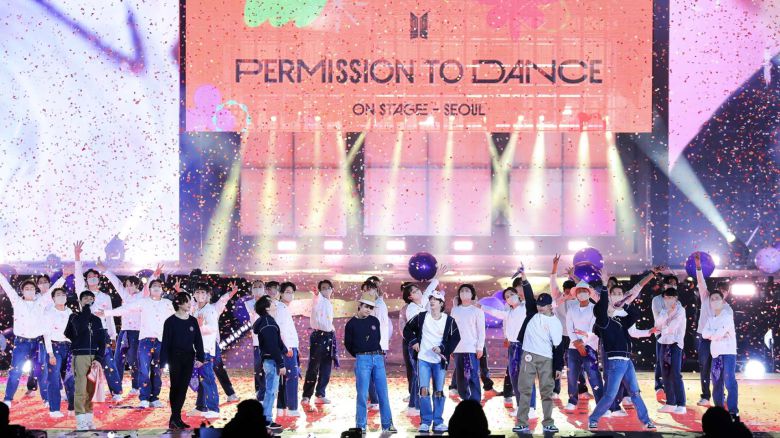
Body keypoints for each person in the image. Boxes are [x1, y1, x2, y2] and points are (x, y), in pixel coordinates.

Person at [588, 282, 656, 430]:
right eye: (613, 296)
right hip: (616, 362)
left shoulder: (620, 320)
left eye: (619, 294)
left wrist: (623, 305)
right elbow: (601, 308)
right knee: (610, 395)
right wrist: (605, 288)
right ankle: (593, 419)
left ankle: (646, 421)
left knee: (635, 392)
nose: (613, 302)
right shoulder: (603, 322)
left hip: (627, 361)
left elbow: (635, 314)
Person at [99, 278, 174, 408]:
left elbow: (177, 316)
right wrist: (106, 313)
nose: (156, 287)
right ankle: (144, 398)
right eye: (154, 285)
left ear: (162, 289)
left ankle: (154, 398)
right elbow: (126, 309)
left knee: (157, 371)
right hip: (145, 341)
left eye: (159, 285)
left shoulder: (167, 303)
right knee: (143, 370)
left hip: (161, 341)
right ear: (149, 289)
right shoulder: (143, 302)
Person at [512, 268, 563, 434]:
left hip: (546, 358)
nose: (540, 307)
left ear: (550, 306)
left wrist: (558, 367)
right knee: (525, 390)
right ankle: (522, 422)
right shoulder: (532, 313)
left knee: (547, 392)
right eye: (539, 304)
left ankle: (548, 422)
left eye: (544, 305)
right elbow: (528, 295)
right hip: (528, 356)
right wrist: (524, 278)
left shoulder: (555, 323)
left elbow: (558, 347)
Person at [403, 290, 460, 434]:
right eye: (431, 299)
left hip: (439, 361)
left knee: (439, 391)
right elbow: (407, 329)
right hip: (423, 359)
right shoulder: (422, 317)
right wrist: (414, 341)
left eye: (435, 299)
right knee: (423, 390)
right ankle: (425, 421)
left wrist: (443, 349)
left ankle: (438, 422)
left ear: (441, 303)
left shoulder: (449, 320)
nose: (432, 301)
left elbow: (455, 338)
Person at [0, 271, 59, 408]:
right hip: (21, 343)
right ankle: (8, 398)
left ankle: (46, 399)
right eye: (26, 288)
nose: (30, 290)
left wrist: (64, 277)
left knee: (42, 371)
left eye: (32, 288)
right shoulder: (17, 301)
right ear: (22, 291)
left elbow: (52, 290)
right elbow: (7, 287)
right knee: (15, 371)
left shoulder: (40, 302)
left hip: (38, 343)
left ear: (35, 290)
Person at [73, 241, 123, 401]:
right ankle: (83, 392)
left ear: (99, 279)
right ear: (86, 280)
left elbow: (109, 317)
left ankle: (116, 392)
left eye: (95, 276)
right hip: (85, 333)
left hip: (102, 333)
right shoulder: (82, 293)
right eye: (89, 277)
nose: (92, 279)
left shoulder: (105, 297)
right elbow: (77, 276)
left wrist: (113, 336)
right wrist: (77, 257)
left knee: (108, 362)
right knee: (84, 363)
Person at [480, 285, 538, 418]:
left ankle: (531, 408)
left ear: (517, 294)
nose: (510, 297)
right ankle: (521, 406)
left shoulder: (526, 307)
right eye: (507, 296)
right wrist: (481, 307)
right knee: (514, 377)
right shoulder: (509, 312)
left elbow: (531, 299)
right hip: (513, 347)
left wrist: (525, 280)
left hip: (525, 347)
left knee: (526, 378)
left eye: (511, 294)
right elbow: (496, 313)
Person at [343, 292, 397, 434]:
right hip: (363, 359)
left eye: (371, 307)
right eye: (366, 306)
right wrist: (360, 354)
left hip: (378, 358)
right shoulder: (351, 324)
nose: (368, 310)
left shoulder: (374, 321)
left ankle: (387, 424)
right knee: (362, 394)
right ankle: (361, 425)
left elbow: (377, 339)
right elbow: (348, 344)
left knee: (383, 393)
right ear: (359, 306)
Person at [102, 264, 155, 397]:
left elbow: (148, 286)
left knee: (134, 360)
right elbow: (116, 283)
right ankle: (116, 387)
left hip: (137, 332)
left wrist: (155, 275)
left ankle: (136, 386)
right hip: (124, 332)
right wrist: (105, 270)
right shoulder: (125, 295)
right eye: (127, 285)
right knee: (118, 359)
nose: (128, 287)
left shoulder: (143, 296)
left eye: (131, 285)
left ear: (137, 285)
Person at [188, 281, 238, 419]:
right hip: (198, 349)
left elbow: (212, 329)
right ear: (194, 295)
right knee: (202, 378)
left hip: (206, 349)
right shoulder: (196, 309)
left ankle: (213, 408)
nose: (200, 294)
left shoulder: (210, 310)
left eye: (203, 292)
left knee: (208, 378)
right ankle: (201, 407)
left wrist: (200, 326)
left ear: (208, 295)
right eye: (197, 292)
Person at [400, 271, 444, 416]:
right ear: (410, 297)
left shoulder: (423, 301)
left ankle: (415, 405)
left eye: (417, 289)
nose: (418, 292)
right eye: (414, 292)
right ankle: (414, 405)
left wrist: (437, 277)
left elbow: (429, 290)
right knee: (419, 375)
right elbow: (415, 328)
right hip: (417, 345)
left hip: (425, 343)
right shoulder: (411, 308)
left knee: (420, 374)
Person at [161, 292, 205, 430]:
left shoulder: (192, 321)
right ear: (179, 303)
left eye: (189, 301)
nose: (189, 304)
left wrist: (201, 357)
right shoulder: (170, 321)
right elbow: (165, 343)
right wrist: (162, 362)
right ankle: (175, 418)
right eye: (186, 301)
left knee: (183, 387)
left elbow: (198, 340)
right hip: (174, 357)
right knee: (175, 387)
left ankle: (176, 418)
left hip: (188, 357)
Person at [64, 290, 105, 430]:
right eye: (85, 298)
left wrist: (99, 358)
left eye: (90, 298)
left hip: (94, 357)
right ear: (80, 301)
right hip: (80, 356)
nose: (88, 300)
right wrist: (86, 310)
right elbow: (78, 330)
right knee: (81, 389)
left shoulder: (97, 320)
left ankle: (88, 418)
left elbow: (102, 341)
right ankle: (80, 419)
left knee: (90, 390)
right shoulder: (74, 317)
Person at [695, 251, 732, 407]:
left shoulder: (727, 308)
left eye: (725, 291)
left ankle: (720, 395)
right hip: (703, 338)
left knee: (718, 368)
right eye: (720, 290)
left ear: (727, 293)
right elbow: (701, 281)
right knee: (704, 367)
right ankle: (705, 396)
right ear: (716, 289)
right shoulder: (706, 296)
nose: (722, 293)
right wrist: (698, 267)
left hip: (718, 340)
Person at [549, 255, 588, 400]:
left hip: (574, 337)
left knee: (577, 363)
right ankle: (555, 390)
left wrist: (573, 276)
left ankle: (582, 390)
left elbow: (586, 288)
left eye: (570, 291)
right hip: (559, 336)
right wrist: (555, 266)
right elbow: (553, 282)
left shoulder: (579, 301)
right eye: (566, 290)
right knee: (557, 363)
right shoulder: (558, 298)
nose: (567, 293)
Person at [563, 281, 605, 411]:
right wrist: (576, 342)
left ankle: (601, 403)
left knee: (593, 374)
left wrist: (583, 342)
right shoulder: (572, 309)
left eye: (584, 291)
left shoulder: (595, 308)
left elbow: (594, 328)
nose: (581, 293)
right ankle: (572, 400)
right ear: (575, 294)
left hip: (590, 346)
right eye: (579, 291)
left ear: (589, 293)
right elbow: (569, 327)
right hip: (573, 346)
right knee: (572, 375)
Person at [252, 295, 286, 435]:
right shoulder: (268, 323)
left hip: (269, 360)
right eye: (272, 302)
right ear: (267, 307)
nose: (275, 304)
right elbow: (272, 346)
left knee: (270, 390)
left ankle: (266, 419)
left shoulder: (267, 321)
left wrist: (285, 349)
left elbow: (275, 343)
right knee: (271, 391)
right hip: (272, 361)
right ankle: (266, 420)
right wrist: (281, 363)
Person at [701, 289, 738, 416]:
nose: (714, 301)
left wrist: (713, 335)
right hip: (716, 354)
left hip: (728, 353)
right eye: (712, 299)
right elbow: (704, 334)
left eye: (717, 298)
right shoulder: (710, 319)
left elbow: (718, 334)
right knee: (716, 382)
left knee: (729, 381)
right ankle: (719, 410)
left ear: (722, 301)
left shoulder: (727, 316)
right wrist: (714, 334)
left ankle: (733, 411)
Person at [302, 279, 337, 406]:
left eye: (328, 288)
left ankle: (320, 394)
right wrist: (316, 293)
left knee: (326, 367)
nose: (326, 290)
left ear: (332, 290)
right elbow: (317, 298)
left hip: (329, 336)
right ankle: (306, 396)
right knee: (314, 367)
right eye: (323, 288)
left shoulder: (329, 303)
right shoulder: (319, 299)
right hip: (319, 337)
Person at [449, 284, 486, 403]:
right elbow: (451, 329)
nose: (464, 292)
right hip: (458, 348)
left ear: (472, 294)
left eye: (467, 291)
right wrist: (450, 347)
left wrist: (480, 347)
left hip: (471, 348)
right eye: (462, 291)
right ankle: (465, 399)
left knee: (472, 375)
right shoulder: (455, 310)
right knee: (460, 376)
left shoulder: (477, 311)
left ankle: (475, 401)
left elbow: (481, 331)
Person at [43, 287, 75, 418]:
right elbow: (46, 334)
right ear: (53, 298)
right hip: (55, 347)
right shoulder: (49, 312)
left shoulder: (70, 311)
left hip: (69, 347)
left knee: (70, 378)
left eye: (63, 294)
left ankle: (73, 407)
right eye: (58, 294)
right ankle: (54, 409)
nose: (61, 296)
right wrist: (50, 353)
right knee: (54, 379)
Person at [656, 288, 687, 414]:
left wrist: (663, 327)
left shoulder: (681, 310)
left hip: (675, 344)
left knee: (675, 373)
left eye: (670, 297)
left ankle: (681, 404)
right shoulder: (664, 310)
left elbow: (671, 328)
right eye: (666, 298)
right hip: (664, 343)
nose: (668, 300)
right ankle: (670, 402)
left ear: (676, 298)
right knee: (665, 374)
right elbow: (657, 324)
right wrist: (667, 313)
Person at [274, 281, 301, 417]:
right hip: (287, 348)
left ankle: (282, 407)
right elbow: (281, 330)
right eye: (287, 292)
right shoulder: (281, 308)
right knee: (292, 377)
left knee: (284, 378)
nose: (290, 295)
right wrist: (287, 348)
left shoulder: (282, 307)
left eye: (292, 292)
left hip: (288, 347)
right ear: (281, 293)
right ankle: (292, 408)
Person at [245, 279, 268, 401]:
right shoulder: (249, 303)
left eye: (260, 286)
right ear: (252, 289)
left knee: (269, 366)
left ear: (264, 289)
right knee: (258, 366)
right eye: (255, 287)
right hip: (257, 340)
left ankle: (267, 391)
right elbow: (254, 313)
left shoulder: (269, 302)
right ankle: (259, 390)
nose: (258, 289)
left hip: (269, 339)